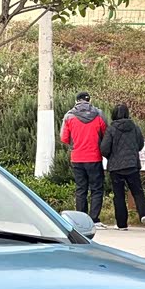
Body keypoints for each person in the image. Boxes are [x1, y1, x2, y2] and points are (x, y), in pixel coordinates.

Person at [99, 103, 145, 231]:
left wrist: (111, 157)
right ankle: (144, 215)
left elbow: (104, 149)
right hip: (132, 165)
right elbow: (140, 144)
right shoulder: (135, 127)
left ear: (114, 114)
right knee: (138, 192)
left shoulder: (111, 129)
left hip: (116, 167)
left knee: (118, 195)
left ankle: (122, 224)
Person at [60, 91, 108, 227]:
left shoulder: (69, 116)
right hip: (94, 157)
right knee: (96, 189)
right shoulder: (99, 114)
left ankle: (81, 221)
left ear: (77, 101)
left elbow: (63, 138)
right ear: (89, 100)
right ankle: (94, 219)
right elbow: (106, 134)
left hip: (77, 157)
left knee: (81, 189)